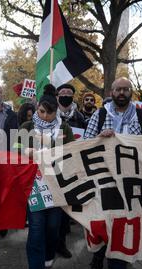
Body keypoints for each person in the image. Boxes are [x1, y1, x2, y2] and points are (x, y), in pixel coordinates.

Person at [84, 77, 142, 269]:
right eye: (118, 89)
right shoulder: (101, 113)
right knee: (104, 223)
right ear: (111, 92)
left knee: (123, 227)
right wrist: (99, 137)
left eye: (125, 89)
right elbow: (85, 142)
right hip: (104, 180)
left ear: (131, 92)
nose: (121, 92)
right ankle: (98, 253)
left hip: (132, 181)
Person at [20, 84, 75, 269]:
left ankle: (49, 253)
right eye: (41, 111)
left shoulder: (64, 128)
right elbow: (16, 149)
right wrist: (26, 151)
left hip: (56, 185)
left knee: (53, 228)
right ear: (37, 110)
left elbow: (69, 153)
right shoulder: (26, 127)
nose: (44, 116)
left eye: (49, 113)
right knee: (35, 228)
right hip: (34, 185)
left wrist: (48, 148)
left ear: (56, 112)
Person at [56, 83, 87, 259]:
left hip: (71, 164)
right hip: (52, 166)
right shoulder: (50, 115)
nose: (66, 95)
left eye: (69, 93)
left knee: (65, 205)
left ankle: (61, 242)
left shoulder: (80, 117)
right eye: (63, 92)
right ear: (57, 96)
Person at [0, 84, 19, 238]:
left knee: (4, 193)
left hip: (5, 159)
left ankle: (2, 222)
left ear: (2, 94)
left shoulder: (11, 115)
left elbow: (15, 138)